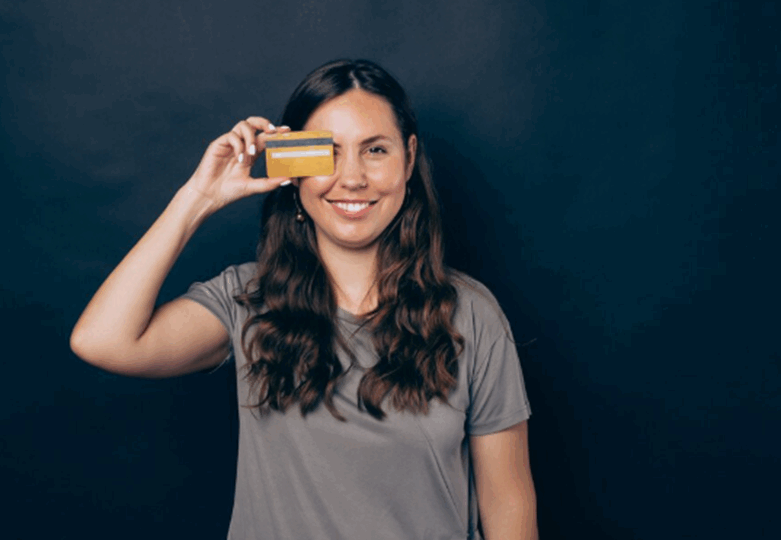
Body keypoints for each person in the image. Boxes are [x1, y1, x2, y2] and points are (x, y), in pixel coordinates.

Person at [70, 59, 538, 540]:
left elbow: (508, 502)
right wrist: (199, 197)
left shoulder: (471, 313)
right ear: (291, 163)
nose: (352, 178)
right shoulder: (247, 301)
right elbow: (102, 340)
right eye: (327, 152)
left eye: (375, 150)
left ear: (409, 157)